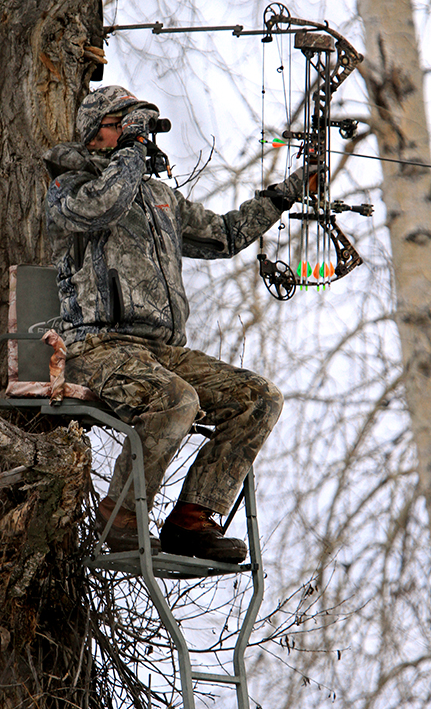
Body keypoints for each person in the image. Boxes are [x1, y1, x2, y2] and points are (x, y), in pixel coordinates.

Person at [44, 86, 306, 563]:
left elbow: (223, 236)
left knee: (258, 398)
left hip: (159, 350)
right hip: (94, 346)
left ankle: (192, 519)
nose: (137, 137)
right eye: (123, 125)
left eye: (138, 128)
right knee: (176, 400)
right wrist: (129, 154)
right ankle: (121, 513)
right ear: (96, 133)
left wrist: (283, 195)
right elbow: (106, 205)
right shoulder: (69, 186)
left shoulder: (159, 197)